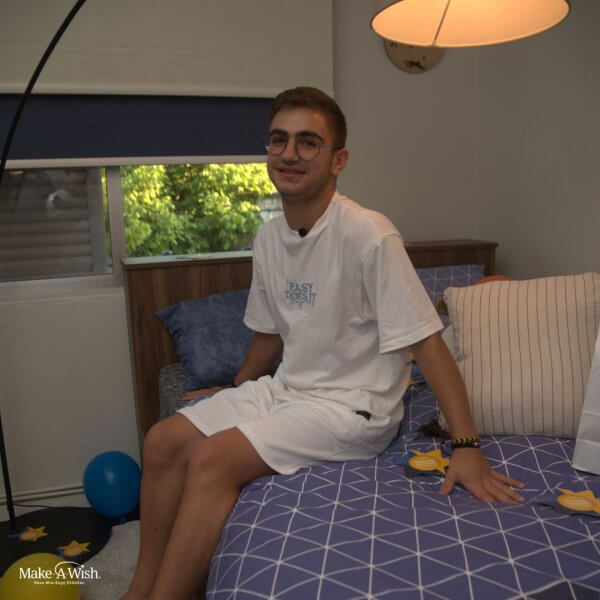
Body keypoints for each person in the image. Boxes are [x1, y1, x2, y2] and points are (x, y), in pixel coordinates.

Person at [123, 87, 524, 600]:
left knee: (213, 458)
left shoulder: (369, 235)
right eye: (279, 140)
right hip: (289, 390)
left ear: (339, 160)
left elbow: (427, 344)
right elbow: (270, 331)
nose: (289, 153)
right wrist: (237, 388)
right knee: (162, 441)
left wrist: (467, 447)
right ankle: (138, 587)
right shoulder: (269, 238)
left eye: (308, 142)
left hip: (353, 409)